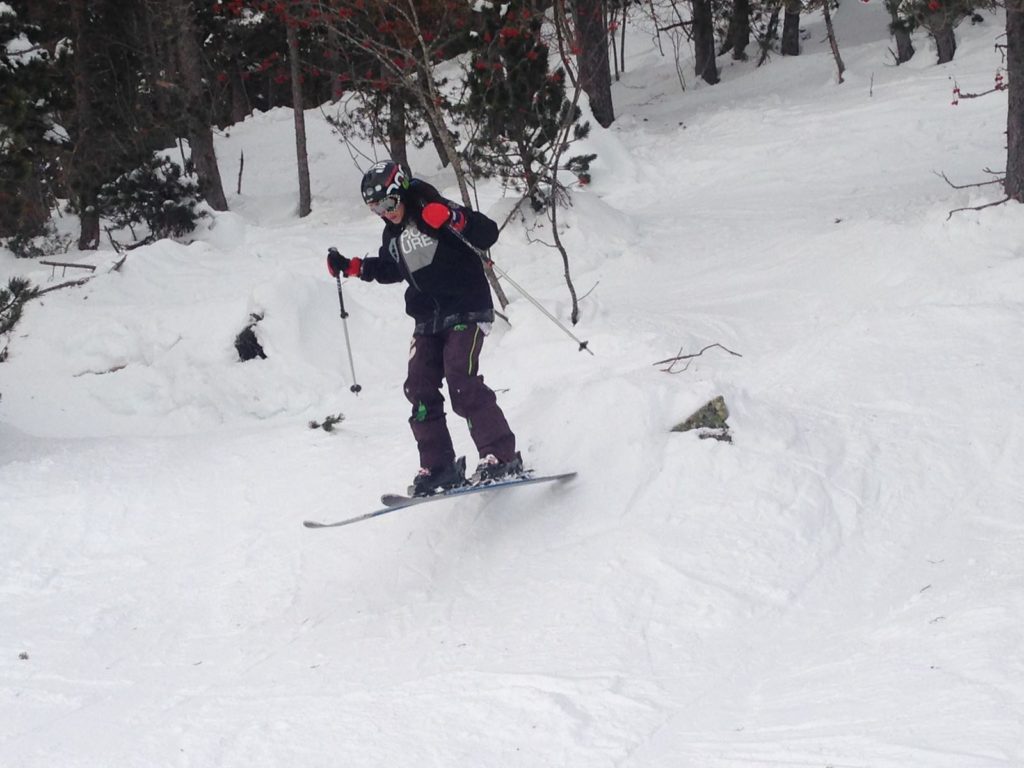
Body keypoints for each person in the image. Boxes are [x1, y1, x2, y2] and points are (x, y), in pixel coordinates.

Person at [327, 160, 522, 496]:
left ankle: (500, 454)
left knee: (461, 379)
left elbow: (486, 232)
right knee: (418, 387)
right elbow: (392, 268)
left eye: (388, 203)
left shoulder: (435, 209)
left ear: (401, 191)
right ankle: (439, 467)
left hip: (465, 308)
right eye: (375, 208)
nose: (385, 213)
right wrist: (353, 267)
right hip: (427, 319)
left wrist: (453, 218)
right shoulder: (393, 233)